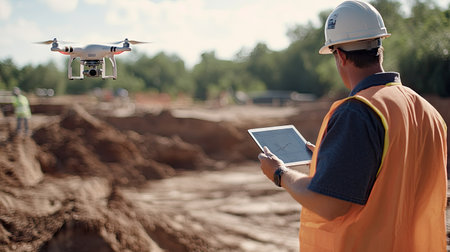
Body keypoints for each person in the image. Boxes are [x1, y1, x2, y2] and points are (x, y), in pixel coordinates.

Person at [258, 1, 447, 251]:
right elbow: (393, 172)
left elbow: (328, 202)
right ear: (380, 47)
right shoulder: (427, 111)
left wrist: (280, 174)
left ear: (341, 55)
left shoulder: (358, 112)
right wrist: (334, 161)